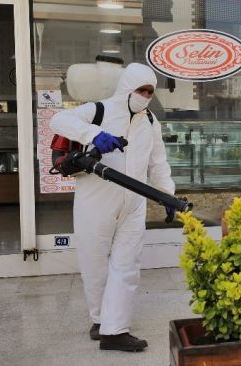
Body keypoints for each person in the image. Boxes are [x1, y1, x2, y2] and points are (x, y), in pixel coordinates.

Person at [51, 63, 174, 352]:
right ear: (127, 87)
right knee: (94, 264)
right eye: (142, 90)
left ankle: (115, 330)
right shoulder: (99, 110)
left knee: (127, 267)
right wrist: (93, 135)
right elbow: (58, 120)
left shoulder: (150, 121)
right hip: (95, 202)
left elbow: (158, 162)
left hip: (134, 204)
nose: (146, 96)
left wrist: (167, 194)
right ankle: (99, 320)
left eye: (150, 92)